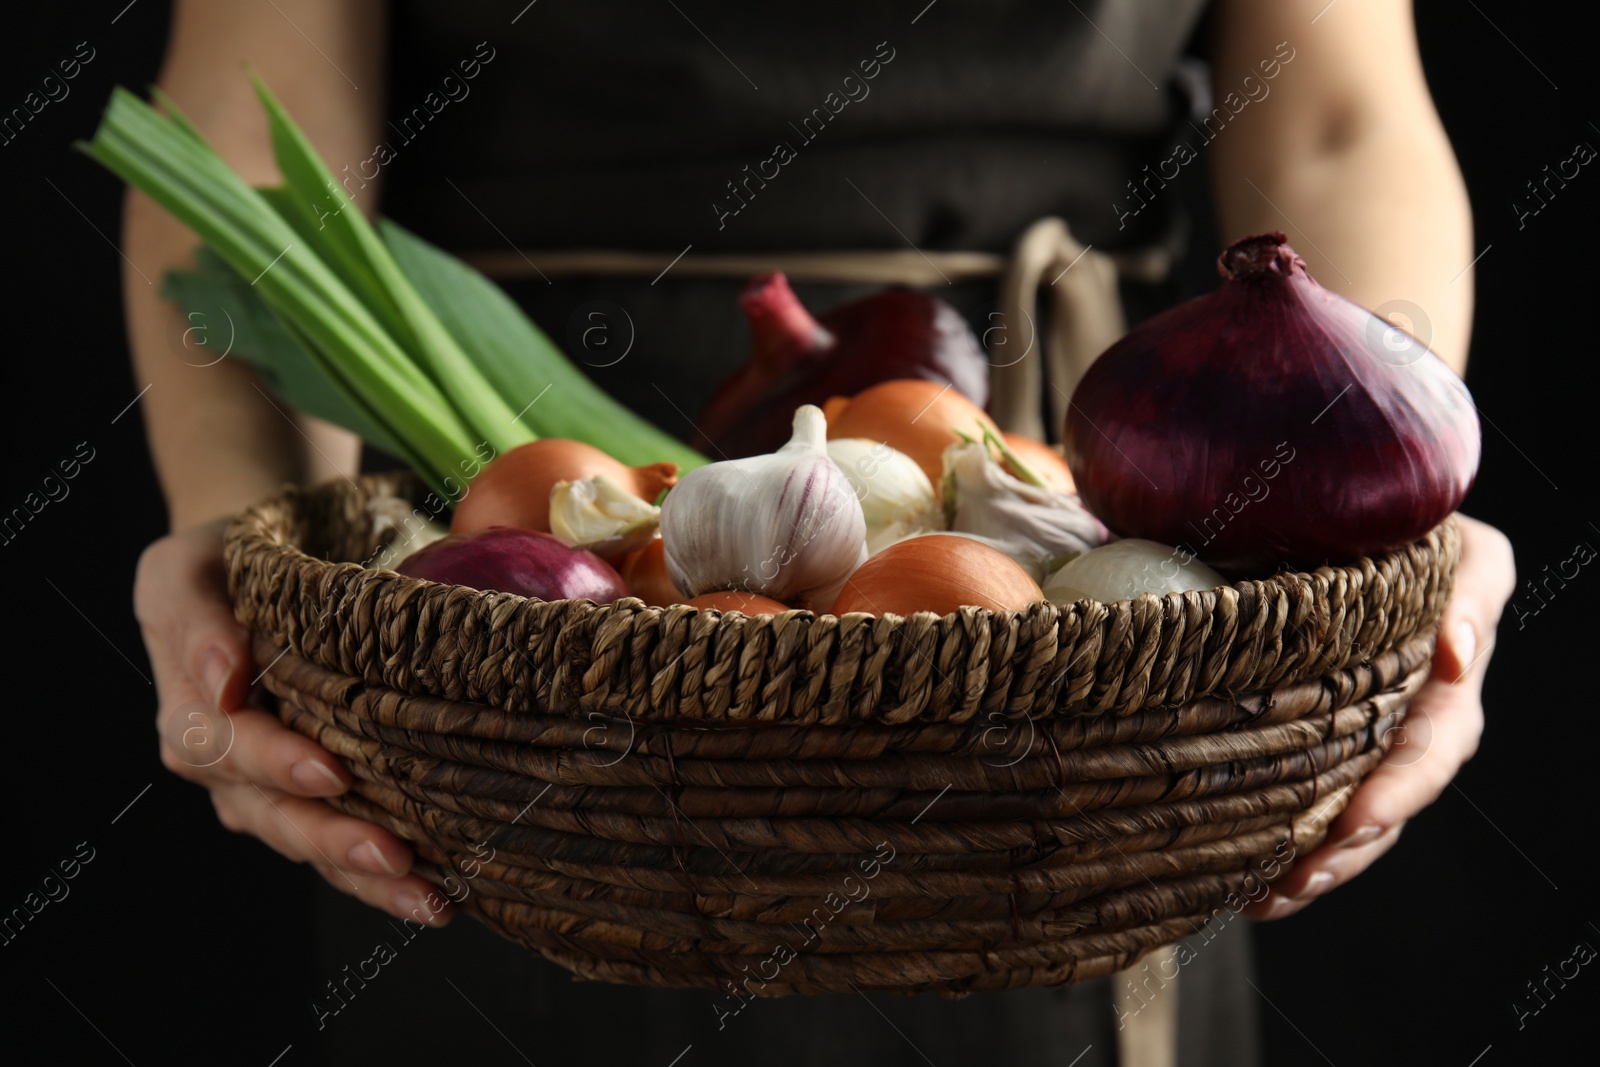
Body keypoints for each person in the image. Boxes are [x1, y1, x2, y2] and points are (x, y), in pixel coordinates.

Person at [130, 2, 1516, 1063]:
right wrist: (242, 527)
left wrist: (1377, 476)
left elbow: (1338, 117)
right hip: (507, 669)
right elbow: (251, 149)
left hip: (1102, 597)